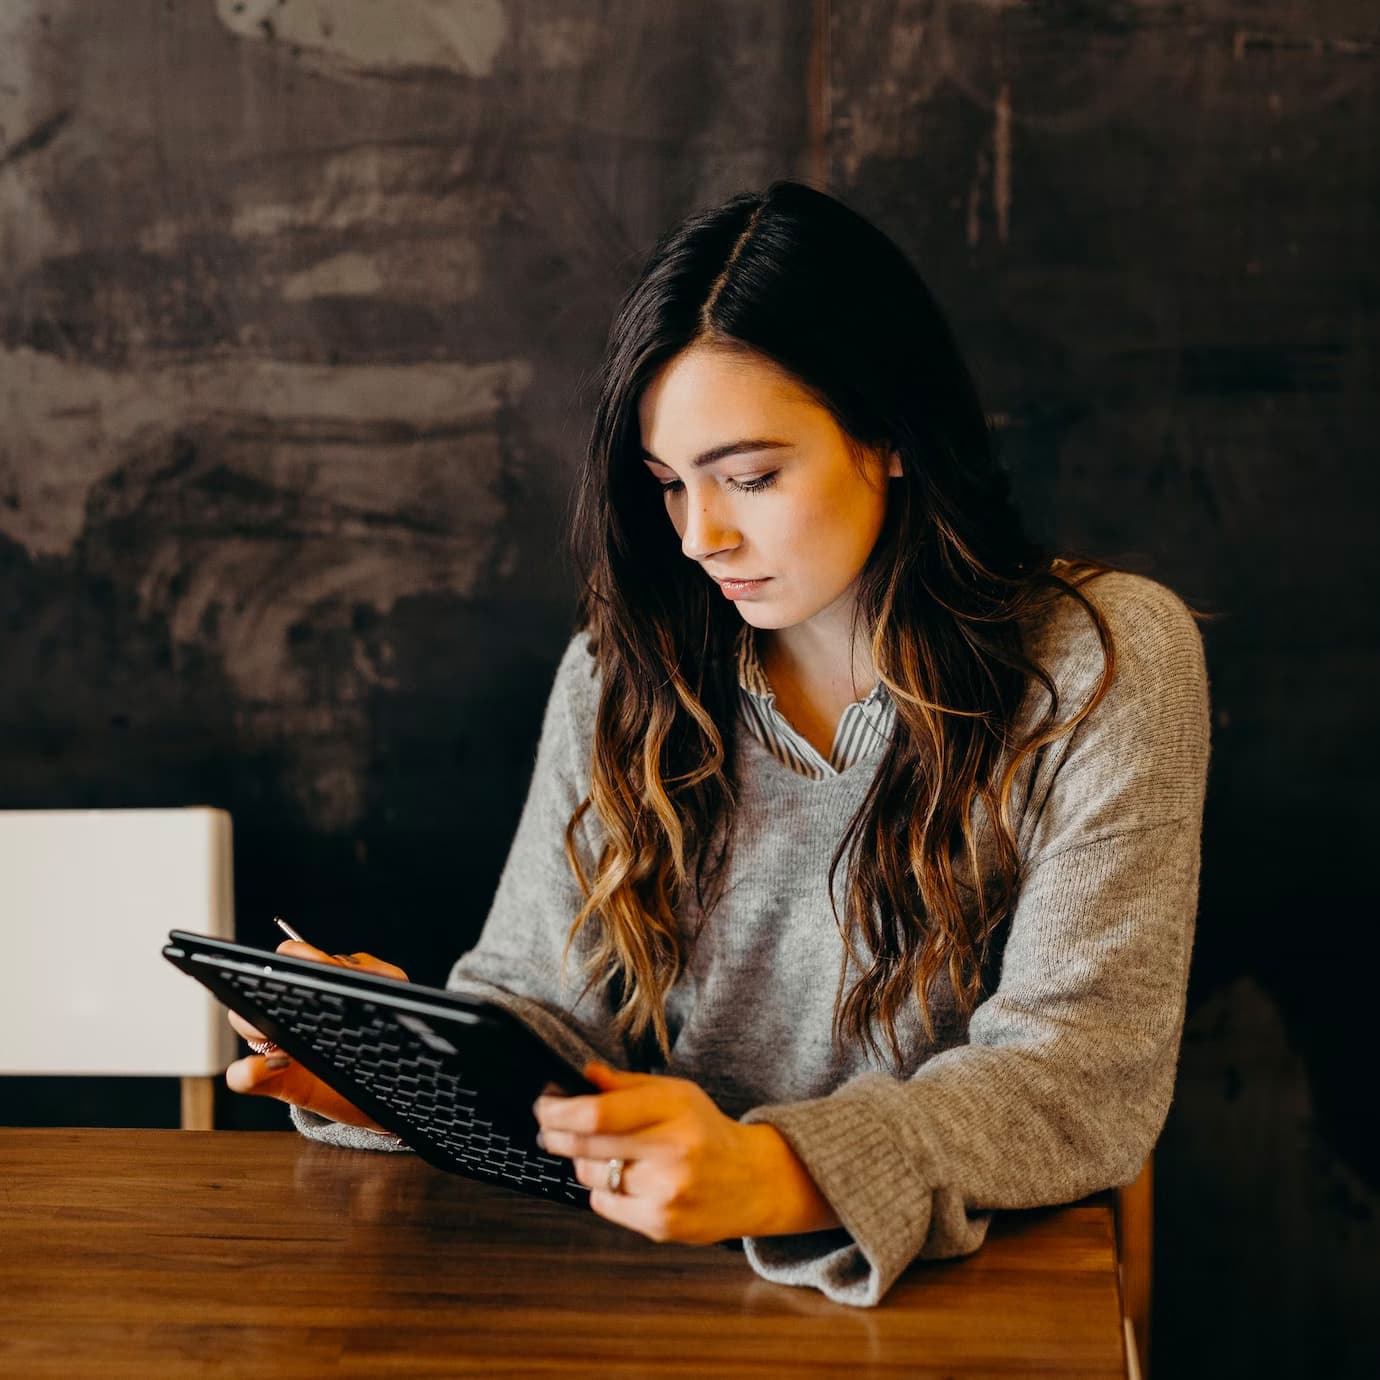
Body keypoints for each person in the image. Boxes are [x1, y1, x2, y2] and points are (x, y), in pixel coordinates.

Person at [225, 180, 1210, 1307]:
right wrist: (395, 1072)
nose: (701, 537)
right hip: (663, 1297)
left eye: (751, 477)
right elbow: (548, 1017)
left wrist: (775, 1170)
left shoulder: (1102, 661)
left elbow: (1081, 1073)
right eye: (667, 487)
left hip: (977, 1302)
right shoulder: (619, 672)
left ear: (890, 434)